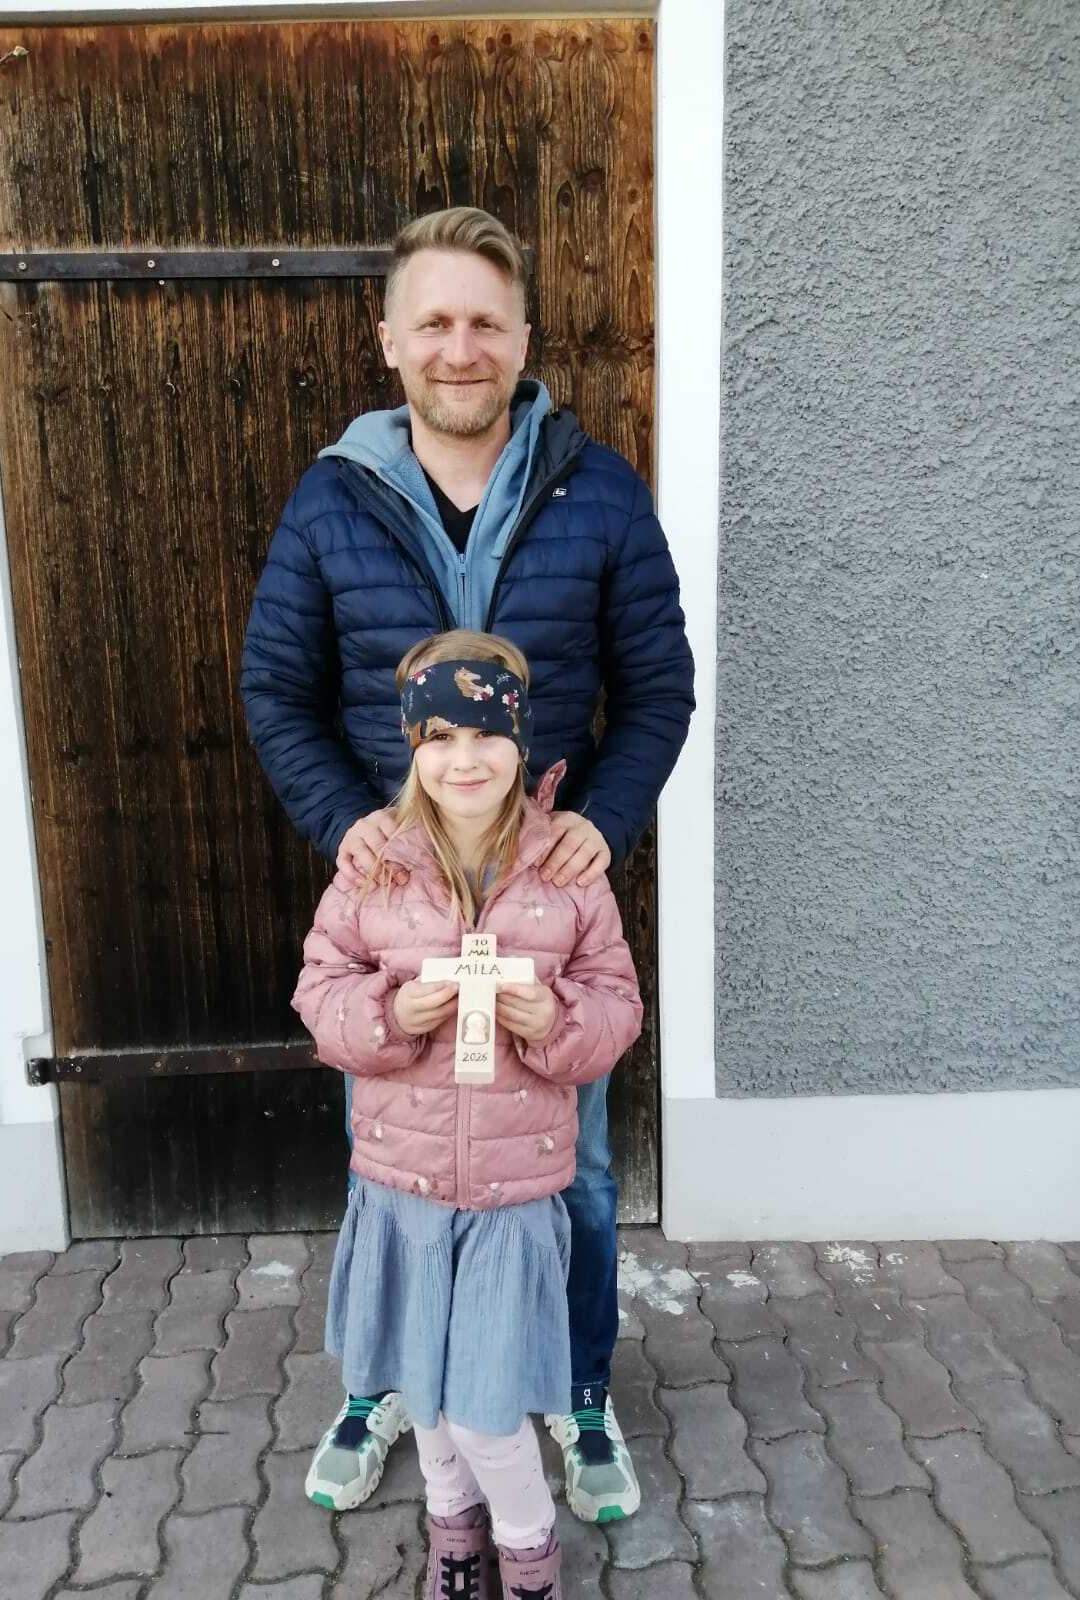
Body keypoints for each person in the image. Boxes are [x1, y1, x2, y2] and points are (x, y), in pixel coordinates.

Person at [241, 205, 695, 1520]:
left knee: (574, 1172)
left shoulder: (597, 492)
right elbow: (277, 690)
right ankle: (388, 1382)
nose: (460, 346)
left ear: (523, 339)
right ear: (389, 340)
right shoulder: (332, 500)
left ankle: (575, 1388)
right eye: (433, 320)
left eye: (485, 322)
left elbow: (657, 688)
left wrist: (607, 817)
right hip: (402, 909)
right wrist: (348, 821)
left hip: (542, 900)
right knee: (394, 1162)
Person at [292, 631, 643, 1599]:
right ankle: (455, 1544)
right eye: (440, 736)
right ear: (412, 746)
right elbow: (320, 990)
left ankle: (528, 1558)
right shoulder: (374, 864)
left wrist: (556, 1022)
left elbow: (616, 1006)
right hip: (402, 1193)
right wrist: (390, 1015)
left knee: (486, 1412)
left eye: (487, 733)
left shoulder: (566, 867)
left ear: (520, 741)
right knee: (429, 1402)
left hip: (509, 1199)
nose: (465, 758)